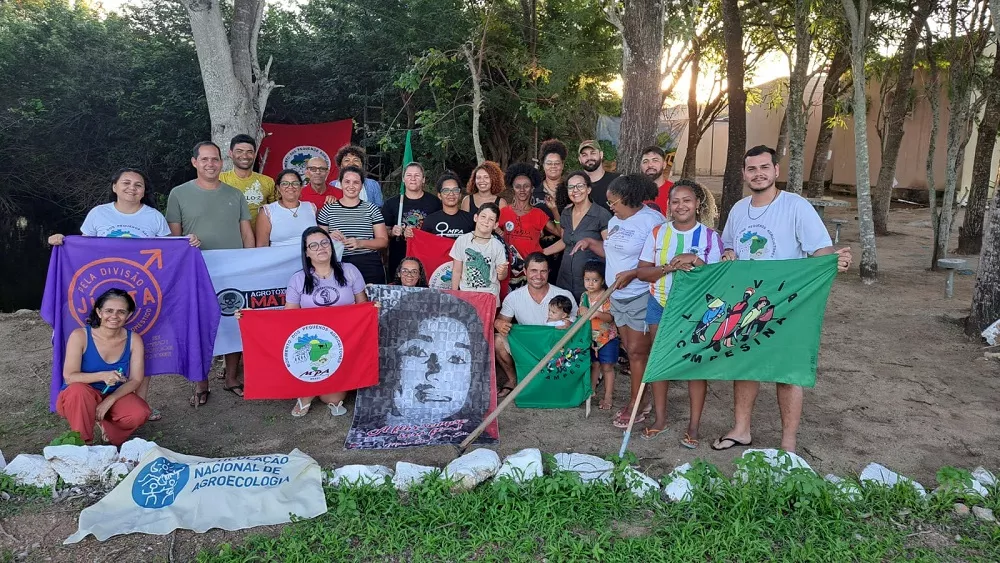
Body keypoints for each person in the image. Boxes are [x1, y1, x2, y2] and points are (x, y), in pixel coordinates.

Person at [713, 145, 852, 453]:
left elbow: (820, 250)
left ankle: (787, 444)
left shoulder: (795, 207)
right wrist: (728, 254)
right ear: (744, 174)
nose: (758, 173)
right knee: (745, 365)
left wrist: (835, 261)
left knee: (786, 372)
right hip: (747, 304)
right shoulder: (738, 209)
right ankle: (741, 429)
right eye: (752, 169)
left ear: (776, 170)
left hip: (789, 304)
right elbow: (728, 248)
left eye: (764, 167)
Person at [48, 168, 199, 421]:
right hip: (103, 290)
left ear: (144, 191)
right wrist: (62, 242)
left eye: (138, 185)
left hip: (145, 292)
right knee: (97, 342)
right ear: (114, 186)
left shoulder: (153, 217)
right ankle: (87, 399)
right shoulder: (99, 213)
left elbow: (168, 251)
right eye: (126, 183)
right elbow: (83, 249)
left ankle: (138, 404)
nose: (132, 188)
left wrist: (188, 241)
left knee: (144, 344)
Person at [636, 180, 723, 447]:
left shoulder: (710, 237)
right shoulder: (658, 233)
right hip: (659, 304)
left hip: (697, 310)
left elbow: (718, 279)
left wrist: (695, 260)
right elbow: (642, 272)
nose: (681, 205)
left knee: (695, 365)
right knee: (659, 360)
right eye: (675, 201)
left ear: (698, 204)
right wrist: (667, 268)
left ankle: (694, 427)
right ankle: (660, 420)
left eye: (687, 200)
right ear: (669, 205)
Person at [167, 141, 254, 406]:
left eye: (215, 159)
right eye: (204, 159)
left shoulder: (235, 194)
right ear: (194, 162)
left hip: (233, 269)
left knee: (234, 320)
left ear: (221, 162)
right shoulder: (178, 194)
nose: (210, 164)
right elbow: (174, 237)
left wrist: (251, 261)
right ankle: (201, 382)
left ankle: (231, 378)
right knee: (200, 325)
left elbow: (246, 232)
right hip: (197, 269)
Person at [351, 289, 492, 448]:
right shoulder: (363, 436)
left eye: (456, 358)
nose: (434, 373)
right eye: (418, 351)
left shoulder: (477, 435)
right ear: (391, 360)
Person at [584, 174, 664, 428]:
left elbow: (660, 260)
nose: (610, 206)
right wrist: (591, 243)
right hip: (617, 296)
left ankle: (637, 403)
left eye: (613, 201)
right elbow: (612, 252)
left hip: (640, 294)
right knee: (630, 351)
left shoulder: (652, 221)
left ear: (628, 198)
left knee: (639, 352)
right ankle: (644, 396)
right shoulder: (617, 220)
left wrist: (634, 274)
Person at [271, 227, 370, 417]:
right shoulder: (298, 279)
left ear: (331, 247)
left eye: (325, 243)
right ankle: (308, 391)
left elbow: (362, 306)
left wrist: (373, 310)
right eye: (313, 245)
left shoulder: (350, 270)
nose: (320, 248)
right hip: (312, 342)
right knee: (319, 380)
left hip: (345, 340)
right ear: (306, 252)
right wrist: (250, 318)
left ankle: (317, 385)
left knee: (331, 398)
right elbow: (289, 317)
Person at [56, 288, 151, 446]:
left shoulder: (134, 339)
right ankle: (83, 444)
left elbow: (135, 380)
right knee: (78, 391)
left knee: (139, 413)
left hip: (113, 394)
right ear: (99, 312)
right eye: (109, 310)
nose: (114, 316)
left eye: (121, 312)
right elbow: (70, 376)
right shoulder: (80, 336)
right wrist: (103, 375)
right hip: (79, 397)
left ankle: (110, 429)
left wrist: (110, 400)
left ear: (129, 315)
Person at [494, 253, 577, 398]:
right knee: (498, 340)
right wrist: (498, 323)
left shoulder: (564, 294)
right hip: (526, 349)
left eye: (543, 271)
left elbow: (578, 324)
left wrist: (569, 324)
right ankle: (514, 380)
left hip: (555, 349)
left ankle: (558, 381)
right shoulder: (514, 297)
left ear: (549, 272)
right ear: (525, 272)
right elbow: (501, 321)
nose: (538, 276)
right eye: (533, 270)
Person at [542, 171, 612, 299]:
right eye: (571, 187)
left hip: (590, 283)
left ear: (588, 189)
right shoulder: (566, 213)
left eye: (580, 186)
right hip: (564, 279)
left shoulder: (601, 215)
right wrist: (542, 252)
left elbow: (610, 250)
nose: (575, 190)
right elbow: (565, 241)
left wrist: (590, 243)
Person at [317, 166, 389, 284]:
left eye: (356, 182)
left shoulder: (372, 209)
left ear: (361, 186)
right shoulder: (328, 210)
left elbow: (383, 241)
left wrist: (360, 243)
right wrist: (329, 236)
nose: (351, 186)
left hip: (368, 264)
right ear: (340, 183)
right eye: (347, 181)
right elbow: (319, 241)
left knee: (372, 302)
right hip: (337, 263)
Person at [499, 163, 562, 291]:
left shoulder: (538, 213)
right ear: (513, 188)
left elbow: (559, 232)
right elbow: (491, 231)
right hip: (508, 269)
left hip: (532, 270)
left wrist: (554, 209)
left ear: (532, 188)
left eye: (526, 186)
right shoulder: (504, 212)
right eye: (518, 186)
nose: (522, 190)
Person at [383, 162, 443, 277]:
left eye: (417, 175)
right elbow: (383, 231)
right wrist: (392, 232)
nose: (413, 179)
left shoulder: (435, 203)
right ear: (403, 179)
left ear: (423, 179)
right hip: (399, 257)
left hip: (426, 256)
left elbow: (439, 231)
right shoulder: (391, 203)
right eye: (409, 175)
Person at [450, 202, 508, 302]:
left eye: (491, 219)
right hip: (466, 294)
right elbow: (456, 271)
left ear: (495, 225)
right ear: (476, 218)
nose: (486, 221)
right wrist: (454, 294)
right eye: (483, 216)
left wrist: (502, 272)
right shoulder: (462, 240)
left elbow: (501, 277)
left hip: (489, 296)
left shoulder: (497, 245)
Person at [579, 261, 617, 410]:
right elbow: (581, 311)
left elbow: (611, 317)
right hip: (591, 338)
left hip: (607, 338)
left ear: (602, 280)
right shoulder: (584, 296)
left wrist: (598, 313)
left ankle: (608, 396)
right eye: (587, 279)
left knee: (607, 367)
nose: (590, 283)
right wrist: (581, 309)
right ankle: (591, 391)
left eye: (595, 280)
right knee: (594, 365)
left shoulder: (606, 296)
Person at [219, 134, 277, 228]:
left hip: (261, 239)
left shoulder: (268, 182)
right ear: (230, 153)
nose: (245, 156)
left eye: (249, 152)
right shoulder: (220, 180)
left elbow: (276, 211)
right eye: (239, 151)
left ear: (254, 154)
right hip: (228, 237)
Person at [255, 169, 318, 247]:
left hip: (309, 257)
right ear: (278, 188)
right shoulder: (267, 212)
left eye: (295, 183)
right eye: (285, 184)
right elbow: (262, 246)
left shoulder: (311, 207)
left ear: (301, 187)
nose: (290, 187)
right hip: (280, 258)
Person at [422, 172, 475, 238]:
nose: (451, 194)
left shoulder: (471, 220)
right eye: (446, 190)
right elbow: (422, 243)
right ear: (439, 195)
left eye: (455, 190)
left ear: (460, 195)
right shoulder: (430, 220)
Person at [578, 140, 620, 210]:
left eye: (593, 153)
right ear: (579, 159)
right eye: (584, 155)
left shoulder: (617, 181)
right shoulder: (574, 186)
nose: (589, 158)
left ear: (601, 155)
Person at [639, 146, 674, 216]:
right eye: (645, 161)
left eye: (655, 160)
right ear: (640, 166)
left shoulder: (675, 191)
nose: (650, 165)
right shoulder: (633, 191)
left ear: (664, 165)